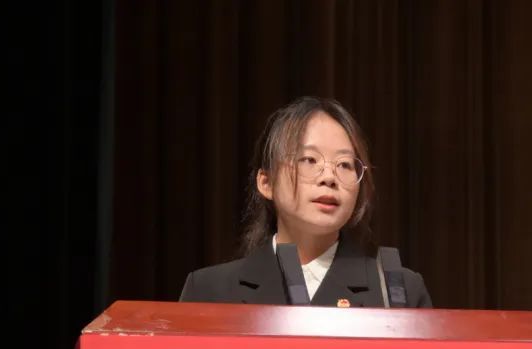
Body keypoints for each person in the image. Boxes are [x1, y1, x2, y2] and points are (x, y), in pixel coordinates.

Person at [179, 96, 432, 308]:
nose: (329, 177)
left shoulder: (400, 291)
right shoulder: (209, 291)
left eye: (344, 164)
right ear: (266, 182)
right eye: (309, 160)